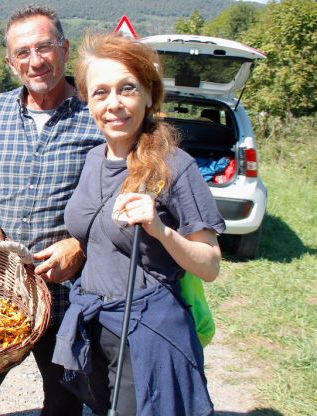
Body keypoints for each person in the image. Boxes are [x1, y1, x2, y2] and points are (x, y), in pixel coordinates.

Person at [0, 5, 104, 416]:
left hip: (65, 296)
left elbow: (119, 196)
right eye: (22, 52)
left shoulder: (97, 116)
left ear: (64, 50)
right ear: (10, 62)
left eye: (44, 47)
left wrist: (80, 243)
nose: (35, 60)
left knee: (64, 406)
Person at [52, 32, 224, 416]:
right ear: (87, 101)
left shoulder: (175, 166)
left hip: (146, 338)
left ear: (149, 95)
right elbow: (96, 239)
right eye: (100, 93)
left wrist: (160, 230)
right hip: (95, 329)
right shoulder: (94, 158)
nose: (114, 104)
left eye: (126, 89)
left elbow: (209, 265)